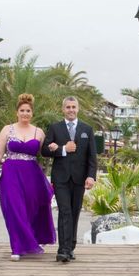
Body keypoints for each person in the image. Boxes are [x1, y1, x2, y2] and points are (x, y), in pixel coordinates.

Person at [0, 93, 56, 261]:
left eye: (28, 111)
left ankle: (30, 240)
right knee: (14, 209)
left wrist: (55, 147)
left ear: (32, 113)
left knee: (32, 208)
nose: (25, 113)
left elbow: (45, 152)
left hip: (32, 175)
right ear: (17, 112)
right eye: (22, 110)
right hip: (10, 173)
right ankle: (16, 247)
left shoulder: (39, 132)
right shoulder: (7, 129)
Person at [42, 96, 97, 263]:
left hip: (80, 179)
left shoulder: (87, 129)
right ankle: (63, 250)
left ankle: (71, 246)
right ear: (63, 109)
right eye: (68, 107)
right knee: (65, 211)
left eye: (73, 107)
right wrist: (62, 149)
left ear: (78, 109)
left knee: (74, 212)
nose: (71, 110)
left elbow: (92, 157)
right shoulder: (55, 128)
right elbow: (45, 150)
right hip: (61, 178)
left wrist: (91, 176)